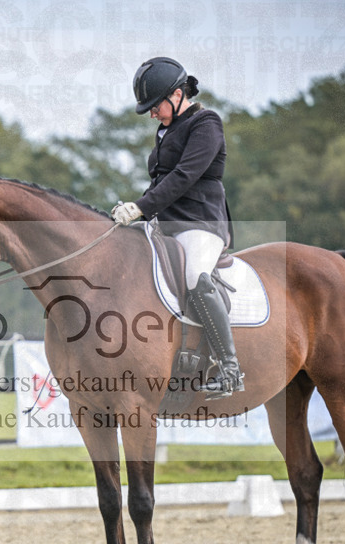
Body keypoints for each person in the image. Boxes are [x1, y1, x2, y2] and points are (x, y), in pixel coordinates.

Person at [111, 56, 243, 399]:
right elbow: (160, 181)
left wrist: (140, 207)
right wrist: (135, 212)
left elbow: (184, 176)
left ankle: (229, 368)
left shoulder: (206, 123)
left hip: (200, 222)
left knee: (195, 276)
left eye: (155, 106)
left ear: (177, 94)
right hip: (165, 224)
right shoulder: (166, 129)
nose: (152, 114)